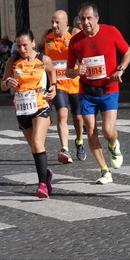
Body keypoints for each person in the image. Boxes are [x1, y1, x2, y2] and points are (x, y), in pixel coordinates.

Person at [66, 2, 130, 184]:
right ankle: (104, 171)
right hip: (87, 91)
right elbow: (67, 71)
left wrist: (120, 69)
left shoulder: (110, 31)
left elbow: (129, 52)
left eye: (89, 18)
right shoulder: (75, 41)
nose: (86, 22)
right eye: (82, 18)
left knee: (108, 130)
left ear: (97, 18)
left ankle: (113, 144)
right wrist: (76, 71)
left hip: (109, 88)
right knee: (90, 131)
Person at [1, 27, 56, 199]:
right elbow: (2, 84)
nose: (22, 49)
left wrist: (53, 87)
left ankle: (42, 185)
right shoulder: (13, 61)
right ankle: (45, 173)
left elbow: (52, 73)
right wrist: (7, 82)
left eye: (25, 45)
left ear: (32, 43)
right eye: (18, 46)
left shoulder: (43, 59)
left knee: (38, 143)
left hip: (41, 106)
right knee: (34, 147)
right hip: (22, 108)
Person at [44, 9, 86, 163]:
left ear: (65, 23)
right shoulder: (46, 36)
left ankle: (79, 141)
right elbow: (39, 53)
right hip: (58, 83)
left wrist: (73, 46)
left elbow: (84, 54)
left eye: (57, 22)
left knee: (77, 117)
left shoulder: (74, 35)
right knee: (62, 114)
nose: (54, 25)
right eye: (52, 22)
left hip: (74, 82)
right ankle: (64, 149)